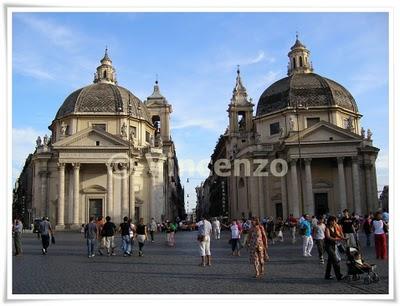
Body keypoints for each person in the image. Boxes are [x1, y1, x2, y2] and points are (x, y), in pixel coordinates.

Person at [324, 216, 344, 281]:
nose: (335, 222)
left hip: (333, 245)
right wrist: (336, 239)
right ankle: (339, 276)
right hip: (328, 246)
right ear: (330, 221)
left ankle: (327, 275)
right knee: (335, 261)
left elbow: (337, 234)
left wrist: (343, 238)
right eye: (334, 221)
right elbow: (328, 237)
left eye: (335, 221)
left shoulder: (334, 227)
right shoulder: (327, 228)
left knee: (330, 261)